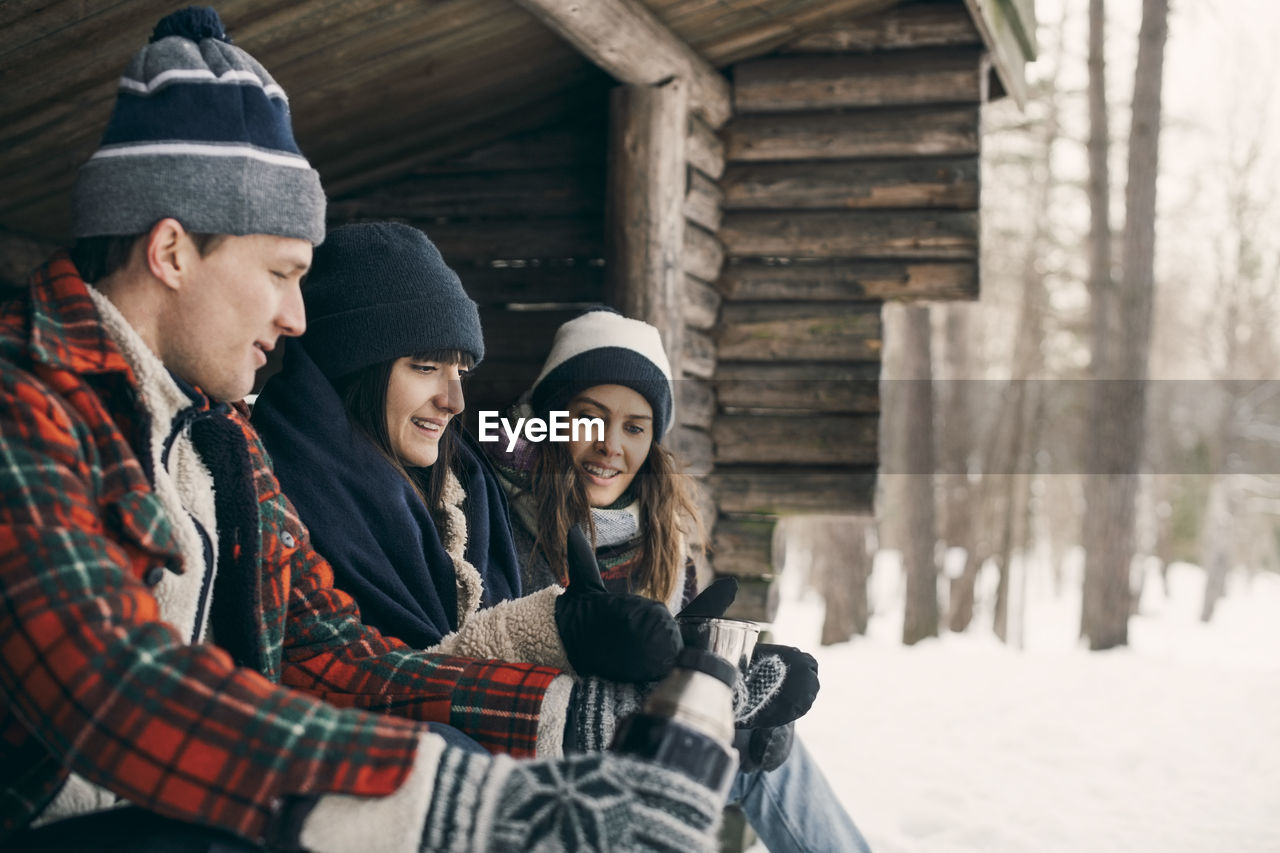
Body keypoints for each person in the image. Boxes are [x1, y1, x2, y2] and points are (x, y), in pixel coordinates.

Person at [0, 9, 730, 852]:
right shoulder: (26, 407)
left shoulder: (220, 443)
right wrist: (474, 807)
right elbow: (110, 686)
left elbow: (338, 661)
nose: (297, 315)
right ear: (172, 251)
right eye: (281, 273)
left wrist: (602, 714)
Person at [488, 307, 873, 853]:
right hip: (540, 755)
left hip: (639, 749)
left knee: (766, 753)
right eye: (588, 418)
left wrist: (729, 693)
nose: (610, 446)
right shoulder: (496, 510)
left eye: (634, 428)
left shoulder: (662, 537)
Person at [251, 221, 680, 684]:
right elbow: (361, 680)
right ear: (353, 366)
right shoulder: (276, 490)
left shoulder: (469, 491)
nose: (454, 401)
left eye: (461, 372)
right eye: (426, 366)